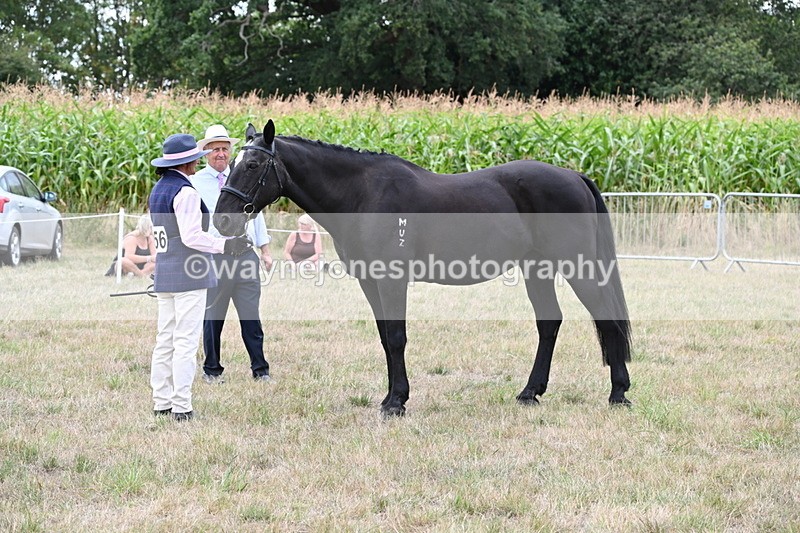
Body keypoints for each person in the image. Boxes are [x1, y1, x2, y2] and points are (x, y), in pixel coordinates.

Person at [148, 133, 252, 421]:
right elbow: (191, 236)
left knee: (165, 339)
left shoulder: (158, 190)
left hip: (166, 272)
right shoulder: (187, 192)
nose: (197, 161)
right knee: (185, 342)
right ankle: (182, 405)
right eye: (195, 158)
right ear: (187, 162)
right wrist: (225, 245)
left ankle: (161, 401)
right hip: (189, 275)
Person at [192, 124, 274, 384]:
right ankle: (212, 370)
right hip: (215, 257)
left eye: (225, 148)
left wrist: (264, 249)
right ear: (206, 152)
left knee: (251, 316)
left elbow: (256, 214)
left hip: (245, 255)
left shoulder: (242, 173)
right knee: (213, 317)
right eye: (215, 149)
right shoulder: (194, 184)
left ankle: (260, 370)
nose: (221, 154)